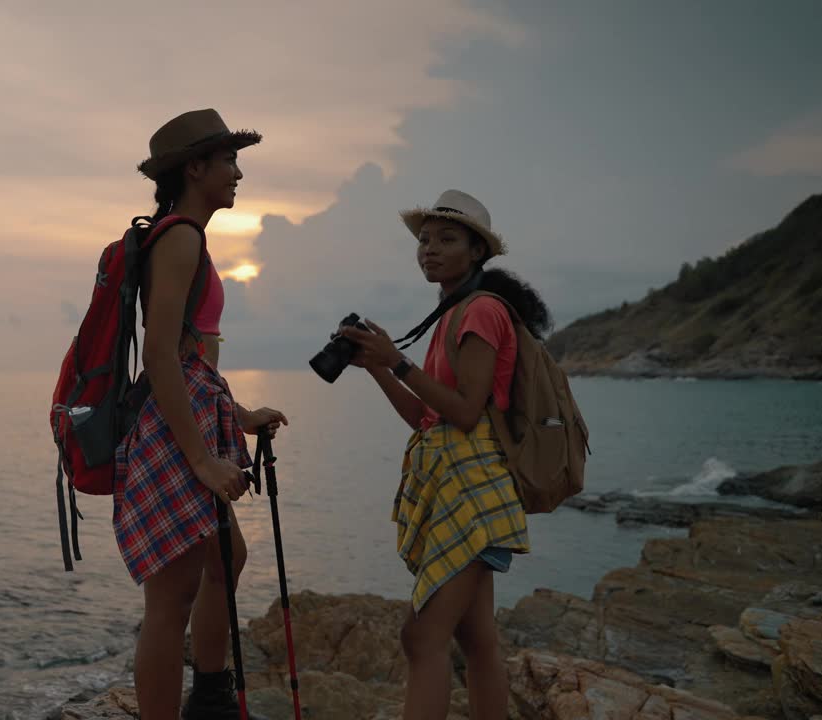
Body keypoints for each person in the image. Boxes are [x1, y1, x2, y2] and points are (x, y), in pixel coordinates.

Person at [339, 189, 551, 720]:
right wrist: (381, 369)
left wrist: (399, 362)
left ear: (477, 251)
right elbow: (425, 419)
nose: (429, 249)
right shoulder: (454, 311)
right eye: (425, 240)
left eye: (446, 239)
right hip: (457, 482)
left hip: (473, 486)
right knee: (477, 640)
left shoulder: (481, 311)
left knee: (421, 636)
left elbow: (464, 411)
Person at [115, 108, 288, 720]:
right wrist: (201, 457)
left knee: (225, 559)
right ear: (195, 168)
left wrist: (237, 416)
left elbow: (188, 352)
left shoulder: (185, 234)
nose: (238, 173)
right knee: (171, 596)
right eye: (229, 161)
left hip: (188, 409)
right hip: (174, 426)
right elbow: (161, 350)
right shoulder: (182, 236)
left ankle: (210, 696)